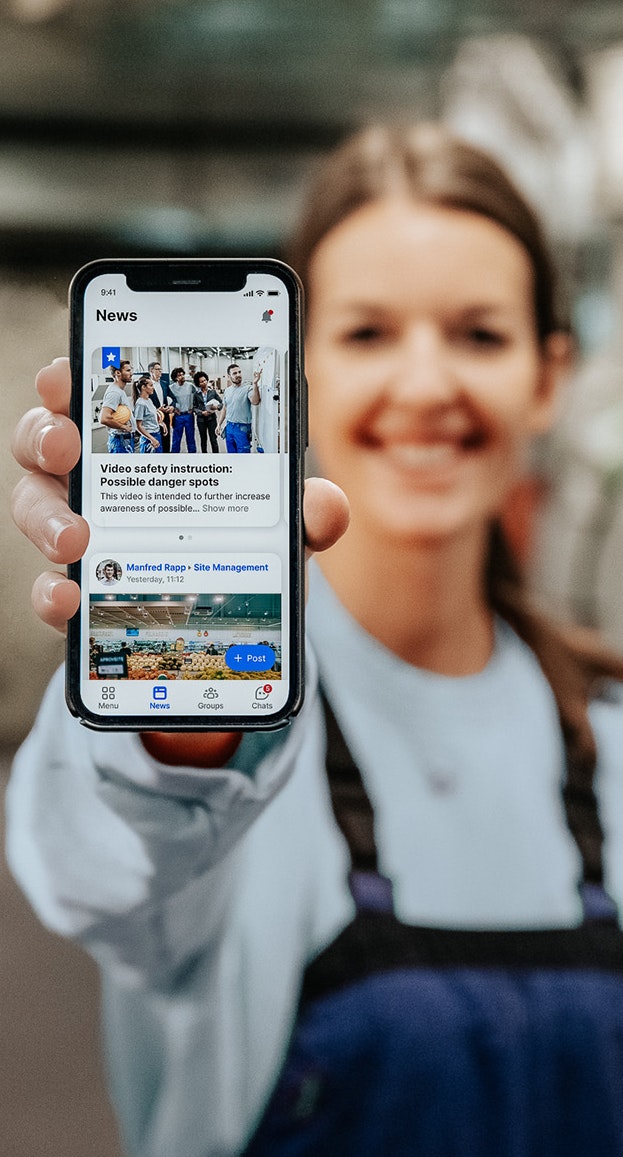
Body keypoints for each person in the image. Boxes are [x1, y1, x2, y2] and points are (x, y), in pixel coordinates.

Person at [9, 125, 623, 1157]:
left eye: (476, 333)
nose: (425, 382)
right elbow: (105, 871)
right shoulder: (235, 718)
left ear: (545, 376)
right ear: (293, 375)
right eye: (368, 333)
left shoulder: (608, 741)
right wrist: (185, 709)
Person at [216, 362, 261, 452]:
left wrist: (255, 384)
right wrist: (219, 424)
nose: (238, 375)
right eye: (235, 373)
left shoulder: (248, 388)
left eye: (239, 372)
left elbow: (255, 401)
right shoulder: (227, 391)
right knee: (231, 455)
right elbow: (225, 408)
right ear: (229, 376)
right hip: (229, 426)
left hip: (242, 428)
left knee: (243, 456)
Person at [99, 359, 136, 453]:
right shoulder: (114, 392)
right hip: (120, 441)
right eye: (128, 370)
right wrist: (124, 427)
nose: (131, 373)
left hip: (125, 439)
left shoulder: (120, 391)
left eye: (131, 370)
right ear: (118, 373)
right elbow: (104, 418)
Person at [168, 365, 197, 453]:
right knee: (176, 439)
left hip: (188, 415)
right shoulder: (171, 388)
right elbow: (168, 400)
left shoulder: (190, 386)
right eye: (179, 375)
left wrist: (193, 408)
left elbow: (196, 397)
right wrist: (174, 409)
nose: (182, 376)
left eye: (182, 374)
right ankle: (174, 456)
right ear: (175, 378)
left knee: (190, 437)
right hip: (178, 416)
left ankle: (192, 456)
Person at [192, 370, 222, 453]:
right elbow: (194, 408)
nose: (204, 382)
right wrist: (201, 412)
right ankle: (204, 457)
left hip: (212, 419)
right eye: (201, 382)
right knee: (203, 440)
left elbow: (222, 403)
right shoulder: (196, 394)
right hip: (201, 420)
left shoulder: (212, 392)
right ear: (198, 384)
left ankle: (216, 457)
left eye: (205, 380)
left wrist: (217, 407)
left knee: (214, 440)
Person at [148, 359, 174, 452]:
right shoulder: (146, 385)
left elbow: (173, 398)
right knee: (155, 443)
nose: (160, 371)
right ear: (151, 371)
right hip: (152, 418)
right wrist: (157, 410)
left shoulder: (164, 384)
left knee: (166, 441)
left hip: (165, 417)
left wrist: (172, 407)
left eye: (160, 369)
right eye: (157, 369)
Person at [133, 375, 163, 453]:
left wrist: (161, 423)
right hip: (149, 438)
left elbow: (151, 415)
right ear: (143, 387)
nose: (153, 388)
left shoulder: (149, 400)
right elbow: (138, 426)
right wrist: (152, 439)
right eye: (151, 385)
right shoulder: (140, 403)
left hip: (156, 434)